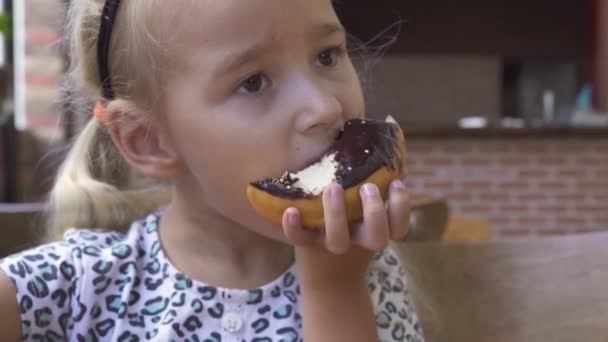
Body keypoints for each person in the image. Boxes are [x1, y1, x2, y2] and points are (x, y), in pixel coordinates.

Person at [0, 0, 425, 340]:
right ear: (147, 140)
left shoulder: (363, 275)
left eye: (327, 55)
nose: (325, 108)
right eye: (254, 81)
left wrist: (336, 293)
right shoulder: (77, 286)